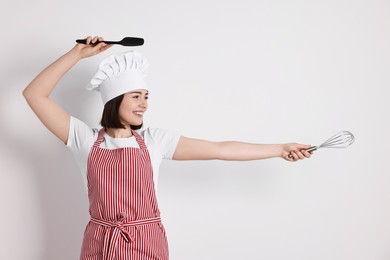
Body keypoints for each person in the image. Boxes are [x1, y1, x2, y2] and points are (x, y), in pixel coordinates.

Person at [23, 36, 313, 260]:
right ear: (114, 100)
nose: (144, 104)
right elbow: (34, 94)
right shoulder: (83, 139)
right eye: (135, 96)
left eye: (146, 96)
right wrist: (77, 53)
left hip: (147, 244)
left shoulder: (154, 141)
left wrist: (280, 148)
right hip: (101, 245)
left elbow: (220, 149)